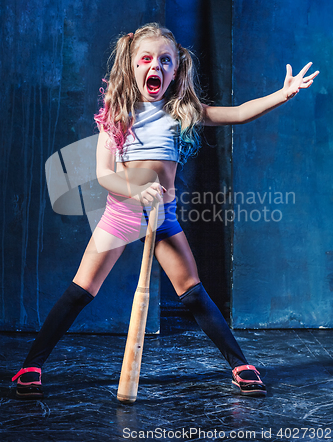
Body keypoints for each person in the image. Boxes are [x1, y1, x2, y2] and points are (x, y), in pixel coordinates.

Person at [12, 23, 319, 400]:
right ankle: (31, 366)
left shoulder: (182, 113)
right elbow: (104, 175)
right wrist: (136, 189)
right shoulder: (117, 114)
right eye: (146, 58)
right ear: (132, 65)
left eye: (165, 60)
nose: (154, 65)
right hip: (121, 216)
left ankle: (239, 363)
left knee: (191, 293)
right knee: (81, 290)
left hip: (163, 218)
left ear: (176, 70)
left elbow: (237, 114)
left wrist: (283, 95)